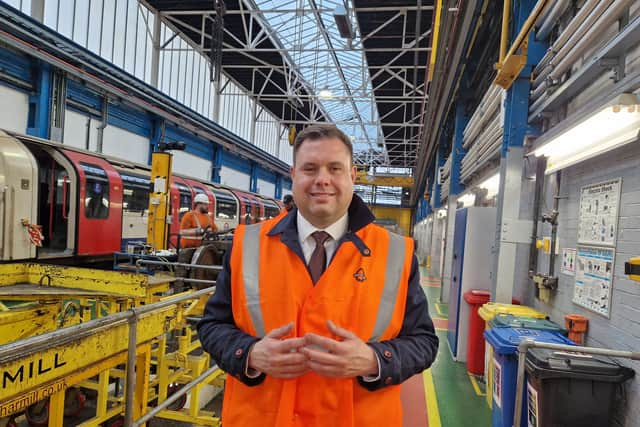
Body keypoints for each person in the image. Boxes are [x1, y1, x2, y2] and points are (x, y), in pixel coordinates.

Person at [198, 124, 438, 427]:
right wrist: (250, 354)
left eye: (335, 168)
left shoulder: (395, 253)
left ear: (352, 176)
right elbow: (212, 326)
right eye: (310, 168)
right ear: (293, 174)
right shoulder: (248, 245)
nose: (322, 180)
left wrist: (374, 360)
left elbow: (424, 342)